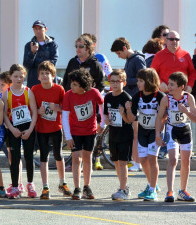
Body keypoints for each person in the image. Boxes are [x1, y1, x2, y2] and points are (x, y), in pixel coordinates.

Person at [32, 61, 71, 199]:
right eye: (42, 73)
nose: (44, 76)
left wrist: (57, 108)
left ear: (53, 76)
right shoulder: (34, 90)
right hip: (41, 128)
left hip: (56, 127)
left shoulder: (59, 89)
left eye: (47, 73)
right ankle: (45, 186)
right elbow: (31, 110)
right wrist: (38, 111)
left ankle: (62, 182)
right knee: (43, 156)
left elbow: (65, 108)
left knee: (58, 154)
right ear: (38, 76)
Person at [62, 68, 104, 200]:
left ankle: (87, 186)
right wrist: (68, 136)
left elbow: (103, 107)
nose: (71, 87)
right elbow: (64, 116)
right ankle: (77, 188)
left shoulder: (93, 92)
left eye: (75, 84)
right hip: (74, 131)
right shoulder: (68, 95)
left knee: (87, 157)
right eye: (71, 84)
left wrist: (102, 124)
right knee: (76, 158)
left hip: (90, 131)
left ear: (83, 85)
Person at [155, 72, 196, 202]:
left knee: (186, 161)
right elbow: (160, 118)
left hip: (185, 130)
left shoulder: (189, 98)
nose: (169, 87)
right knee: (173, 159)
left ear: (181, 86)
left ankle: (182, 191)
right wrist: (158, 135)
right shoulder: (166, 99)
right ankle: (170, 191)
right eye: (169, 84)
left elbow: (195, 119)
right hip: (172, 130)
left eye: (172, 85)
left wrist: (186, 111)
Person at [125, 68, 165, 201]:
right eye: (138, 81)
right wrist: (129, 110)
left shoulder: (159, 96)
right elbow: (132, 119)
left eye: (141, 81)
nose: (138, 83)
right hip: (143, 131)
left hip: (155, 132)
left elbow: (165, 115)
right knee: (142, 160)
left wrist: (159, 132)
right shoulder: (137, 96)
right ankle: (152, 184)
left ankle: (152, 190)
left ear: (149, 81)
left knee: (152, 158)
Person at [111, 37, 146, 172]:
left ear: (125, 49)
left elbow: (142, 77)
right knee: (134, 132)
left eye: (119, 53)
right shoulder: (130, 60)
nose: (119, 57)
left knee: (136, 132)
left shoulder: (137, 59)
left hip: (137, 99)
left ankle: (137, 162)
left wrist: (123, 80)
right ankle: (135, 160)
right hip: (131, 99)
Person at [2, 64, 38, 199]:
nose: (18, 79)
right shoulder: (7, 93)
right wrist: (12, 129)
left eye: (21, 76)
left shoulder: (28, 92)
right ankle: (15, 187)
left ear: (25, 77)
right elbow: (4, 114)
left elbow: (34, 113)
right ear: (10, 77)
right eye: (16, 76)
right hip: (13, 128)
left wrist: (30, 130)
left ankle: (30, 184)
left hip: (28, 127)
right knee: (15, 158)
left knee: (29, 156)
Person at [103, 69, 133, 200]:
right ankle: (124, 186)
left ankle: (122, 189)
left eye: (117, 81)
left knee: (122, 162)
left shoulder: (127, 98)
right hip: (113, 134)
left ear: (124, 83)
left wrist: (123, 113)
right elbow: (106, 115)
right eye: (112, 81)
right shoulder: (108, 97)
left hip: (125, 135)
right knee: (115, 162)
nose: (114, 84)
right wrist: (106, 120)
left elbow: (129, 121)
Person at [0, 71, 25, 194]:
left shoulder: (11, 94)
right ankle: (15, 182)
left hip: (13, 128)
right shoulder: (1, 95)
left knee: (15, 156)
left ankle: (19, 183)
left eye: (2, 84)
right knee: (10, 155)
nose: (0, 87)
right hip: (4, 128)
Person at [23, 20, 58, 88]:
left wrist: (37, 62)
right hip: (34, 82)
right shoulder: (29, 45)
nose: (38, 31)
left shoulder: (52, 44)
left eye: (40, 28)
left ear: (45, 29)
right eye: (35, 28)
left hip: (49, 83)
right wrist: (32, 53)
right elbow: (27, 65)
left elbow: (53, 62)